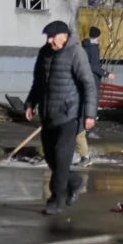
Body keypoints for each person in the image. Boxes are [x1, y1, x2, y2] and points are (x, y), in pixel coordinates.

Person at [25, 21, 97, 215]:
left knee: (61, 157)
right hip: (48, 115)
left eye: (52, 37)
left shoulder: (76, 53)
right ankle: (73, 181)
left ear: (64, 36)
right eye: (47, 37)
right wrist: (30, 103)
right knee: (52, 159)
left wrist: (89, 114)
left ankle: (55, 200)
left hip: (69, 115)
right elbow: (38, 82)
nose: (49, 41)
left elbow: (88, 85)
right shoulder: (44, 53)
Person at [77, 26, 113, 164]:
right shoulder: (93, 49)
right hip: (92, 80)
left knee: (85, 103)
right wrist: (107, 74)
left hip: (84, 79)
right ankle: (89, 129)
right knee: (92, 103)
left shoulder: (83, 46)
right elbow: (95, 66)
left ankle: (85, 129)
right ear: (97, 36)